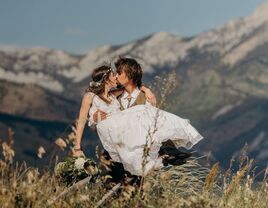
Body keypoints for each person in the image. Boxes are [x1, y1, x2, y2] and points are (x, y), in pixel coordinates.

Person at [72, 58, 203, 178]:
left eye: (118, 73)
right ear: (106, 79)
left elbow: (132, 89)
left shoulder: (115, 96)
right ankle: (167, 152)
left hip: (132, 145)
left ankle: (169, 150)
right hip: (113, 143)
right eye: (114, 74)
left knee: (147, 113)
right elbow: (82, 120)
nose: (116, 76)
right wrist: (77, 147)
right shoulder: (94, 96)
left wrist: (146, 90)